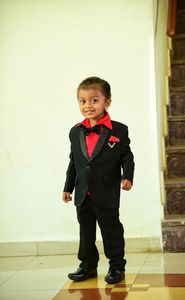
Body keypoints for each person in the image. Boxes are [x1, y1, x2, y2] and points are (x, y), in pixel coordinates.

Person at [62, 76, 135, 284]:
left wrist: (127, 176)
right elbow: (74, 162)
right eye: (82, 101)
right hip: (82, 191)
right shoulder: (75, 132)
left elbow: (126, 156)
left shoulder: (118, 130)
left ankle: (116, 266)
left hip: (106, 190)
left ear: (107, 102)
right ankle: (87, 265)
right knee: (85, 231)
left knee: (110, 229)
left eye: (94, 100)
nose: (87, 105)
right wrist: (68, 187)